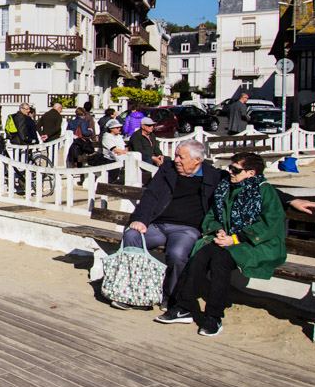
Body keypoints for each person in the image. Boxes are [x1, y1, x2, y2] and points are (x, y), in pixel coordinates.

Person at [158, 152, 287, 336]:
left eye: (235, 169)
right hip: (225, 238)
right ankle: (183, 306)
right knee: (201, 255)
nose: (231, 172)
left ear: (251, 173)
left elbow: (271, 223)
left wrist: (235, 239)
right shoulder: (225, 186)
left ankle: (214, 316)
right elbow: (212, 215)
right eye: (230, 168)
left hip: (255, 244)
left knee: (220, 259)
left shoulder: (263, 190)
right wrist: (218, 230)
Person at [115, 140, 221, 310]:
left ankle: (172, 296)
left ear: (197, 160)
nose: (176, 160)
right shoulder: (167, 169)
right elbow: (151, 196)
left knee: (177, 254)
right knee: (132, 235)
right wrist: (141, 219)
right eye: (176, 156)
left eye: (181, 157)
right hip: (158, 224)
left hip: (187, 229)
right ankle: (135, 293)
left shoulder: (213, 176)